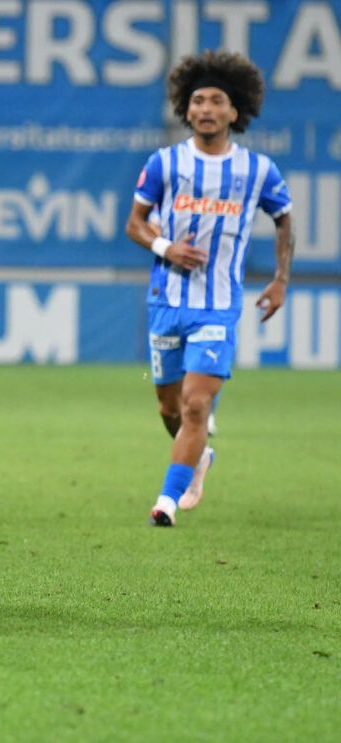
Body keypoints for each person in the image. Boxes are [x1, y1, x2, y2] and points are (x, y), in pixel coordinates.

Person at [124, 51, 293, 527]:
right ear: (186, 109)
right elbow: (134, 224)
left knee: (197, 405)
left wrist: (280, 279)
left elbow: (284, 222)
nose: (205, 109)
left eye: (217, 101)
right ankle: (199, 458)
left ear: (234, 112)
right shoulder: (164, 163)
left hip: (218, 308)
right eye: (197, 100)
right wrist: (165, 246)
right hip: (167, 303)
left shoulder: (258, 171)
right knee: (169, 407)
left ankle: (166, 501)